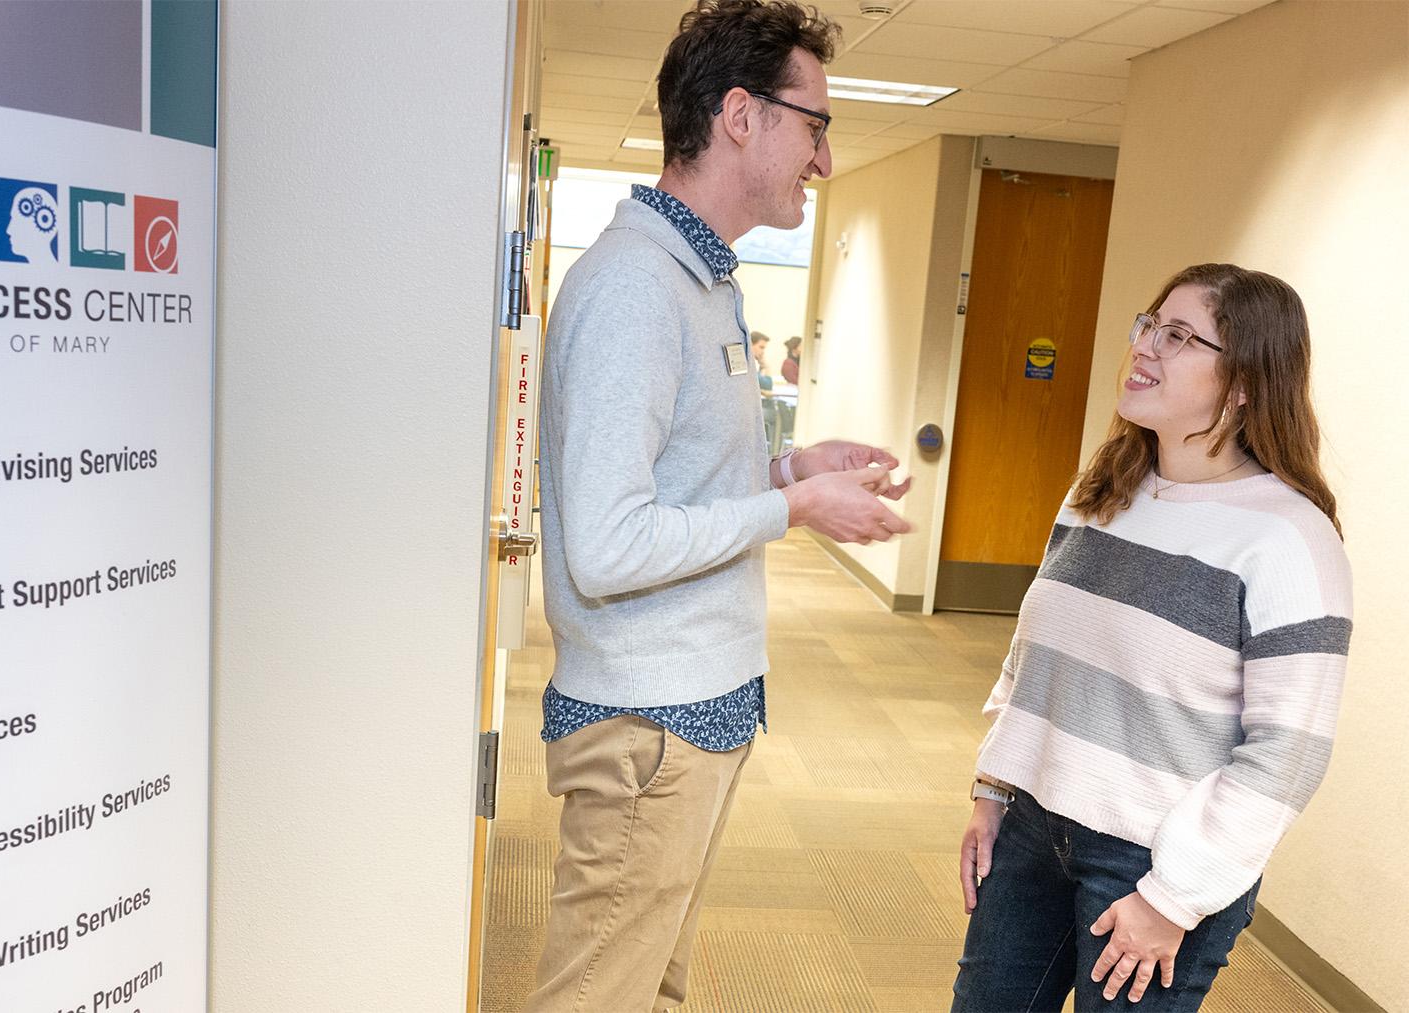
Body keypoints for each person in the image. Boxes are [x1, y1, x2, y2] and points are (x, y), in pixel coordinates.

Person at [530, 3, 913, 1009]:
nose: (822, 160)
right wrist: (791, 514)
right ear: (740, 116)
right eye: (815, 124)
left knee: (648, 989)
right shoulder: (636, 292)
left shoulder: (699, 280)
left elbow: (680, 483)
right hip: (647, 720)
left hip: (691, 712)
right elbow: (609, 546)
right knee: (594, 995)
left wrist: (792, 472)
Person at [952, 264, 1353, 1012]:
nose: (1146, 346)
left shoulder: (1290, 538)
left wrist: (1173, 898)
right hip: (1036, 825)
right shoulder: (1102, 491)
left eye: (1180, 336)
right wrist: (994, 788)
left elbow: (1288, 752)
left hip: (1157, 858)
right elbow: (1035, 663)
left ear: (1242, 384)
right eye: (1149, 324)